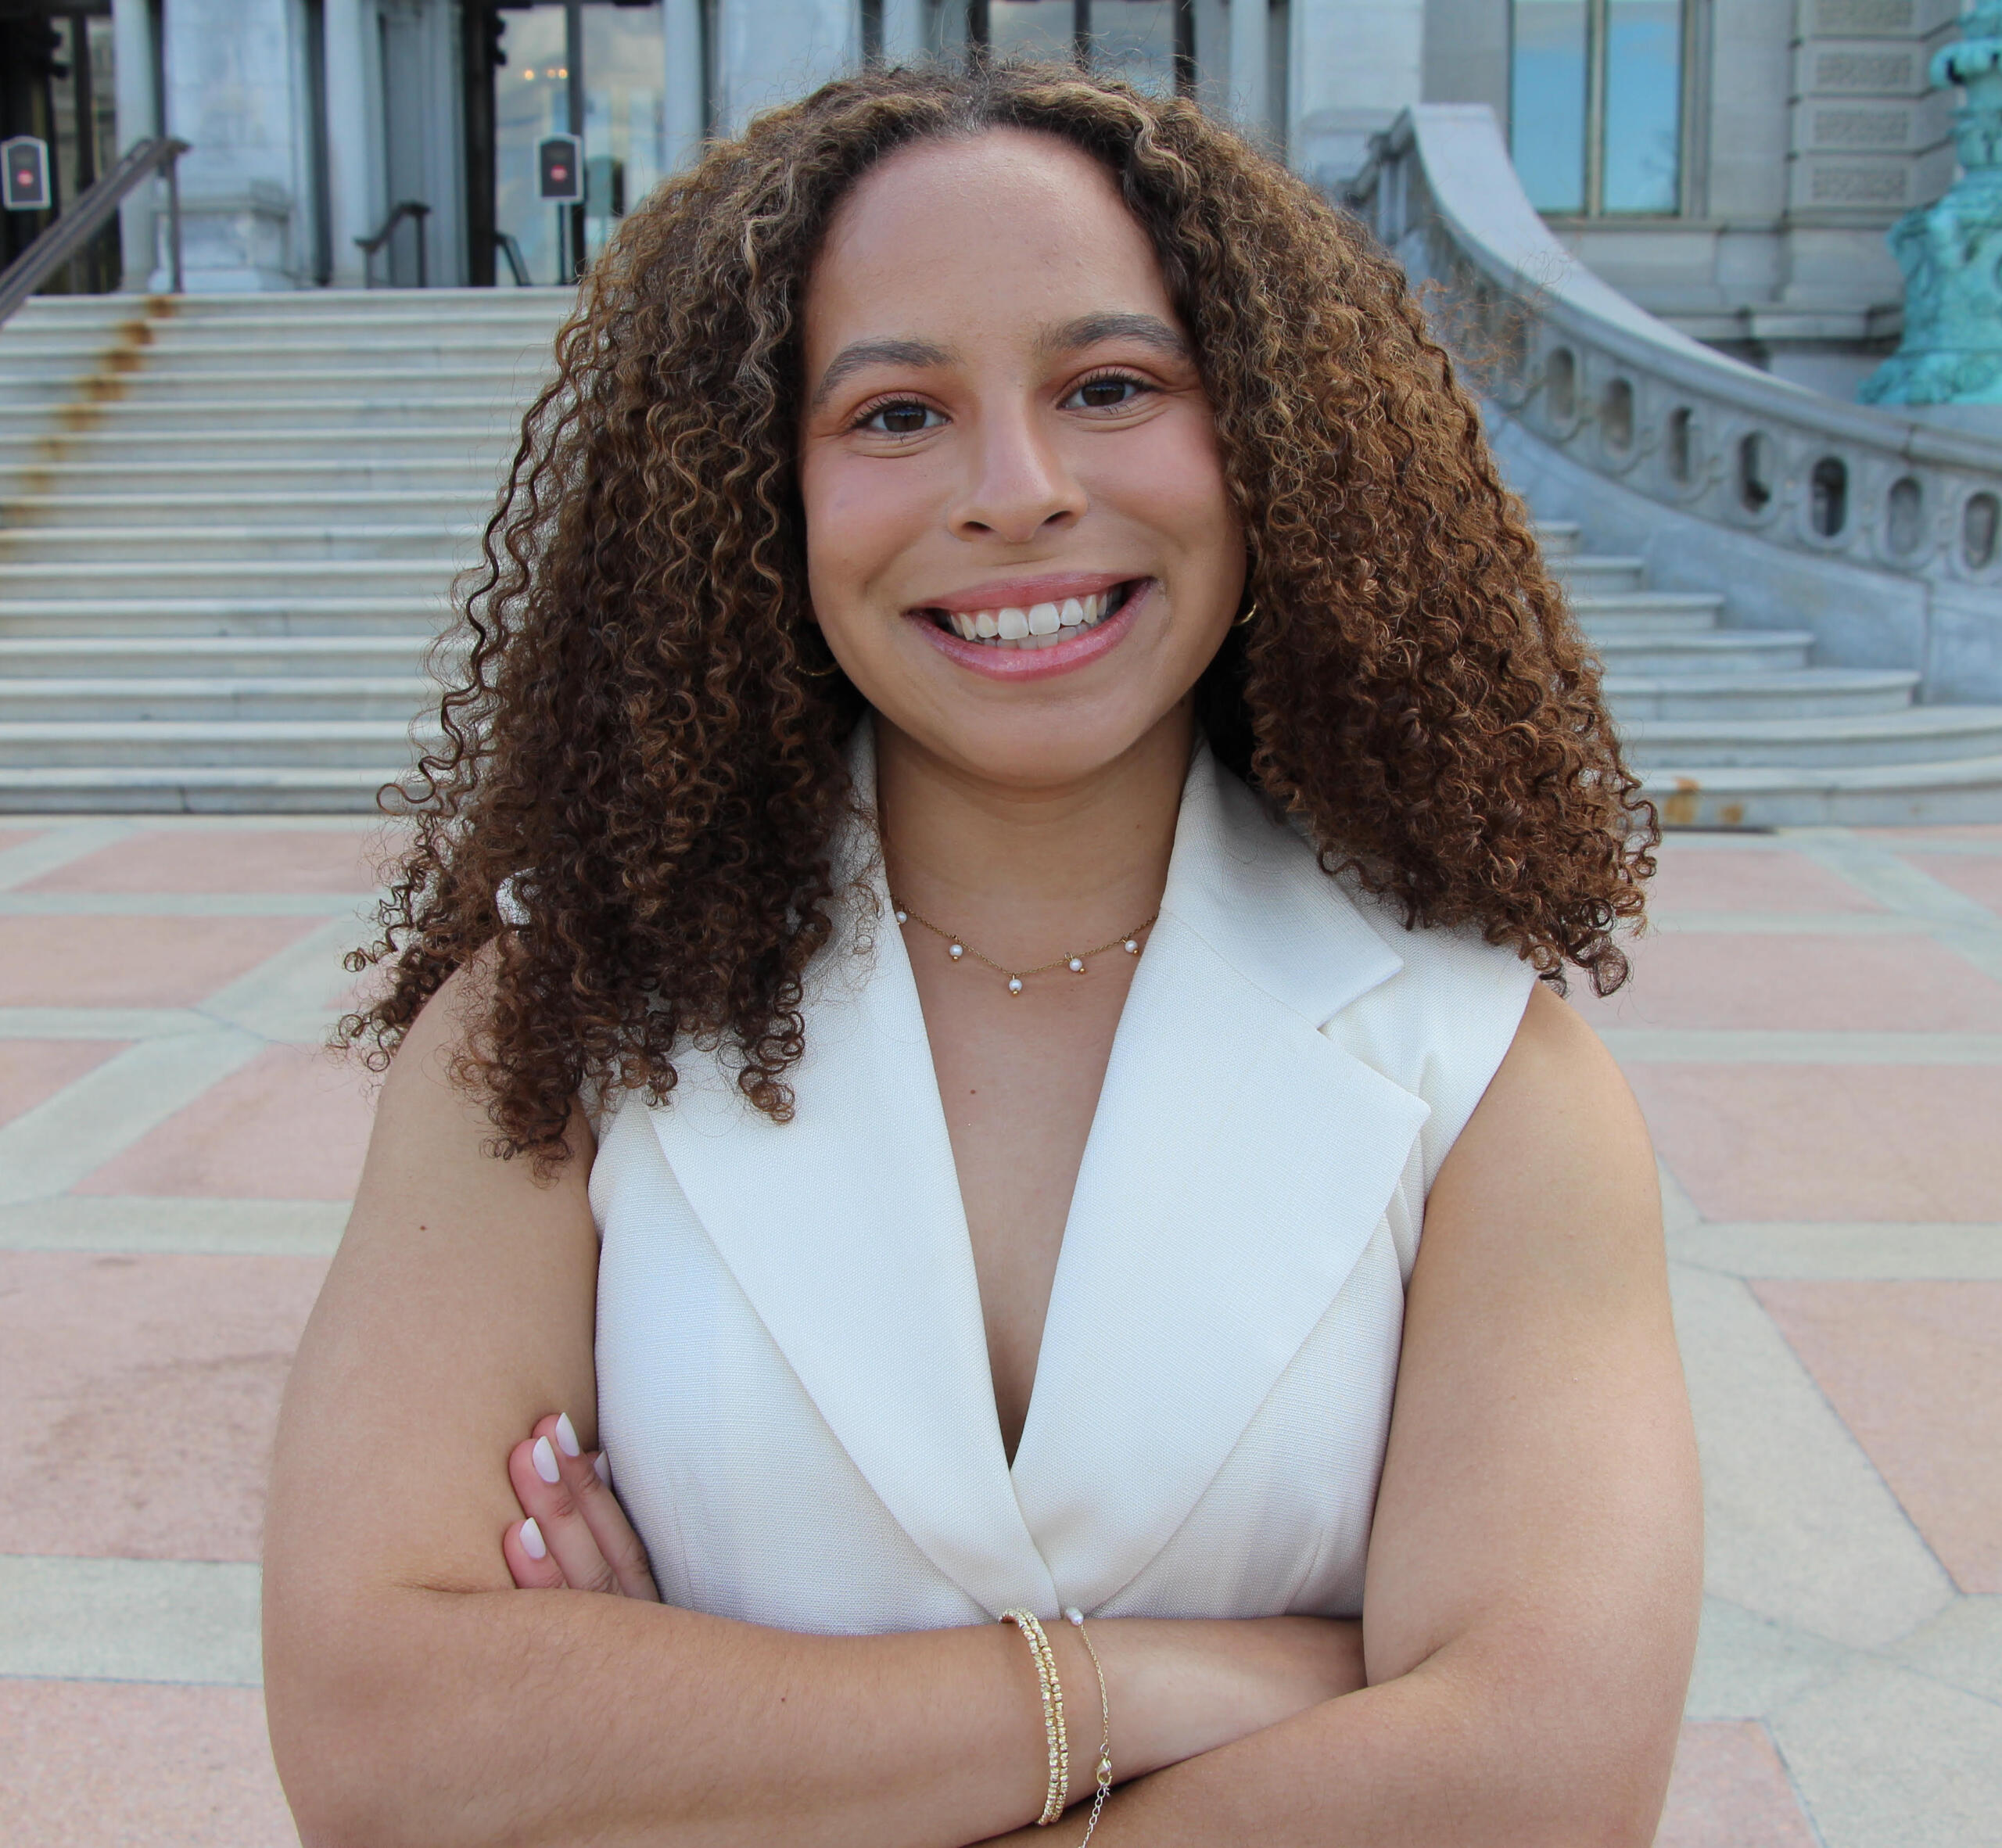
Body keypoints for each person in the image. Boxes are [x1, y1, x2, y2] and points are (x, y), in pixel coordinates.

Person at [264, 62, 1701, 1848]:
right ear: (755, 490)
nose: (1014, 492)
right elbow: (383, 1749)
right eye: (891, 415)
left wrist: (685, 1766)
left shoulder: (1483, 1066)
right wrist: (1154, 1688)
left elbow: (1536, 1791)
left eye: (1109, 387)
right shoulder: (554, 1024)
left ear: (1263, 436)